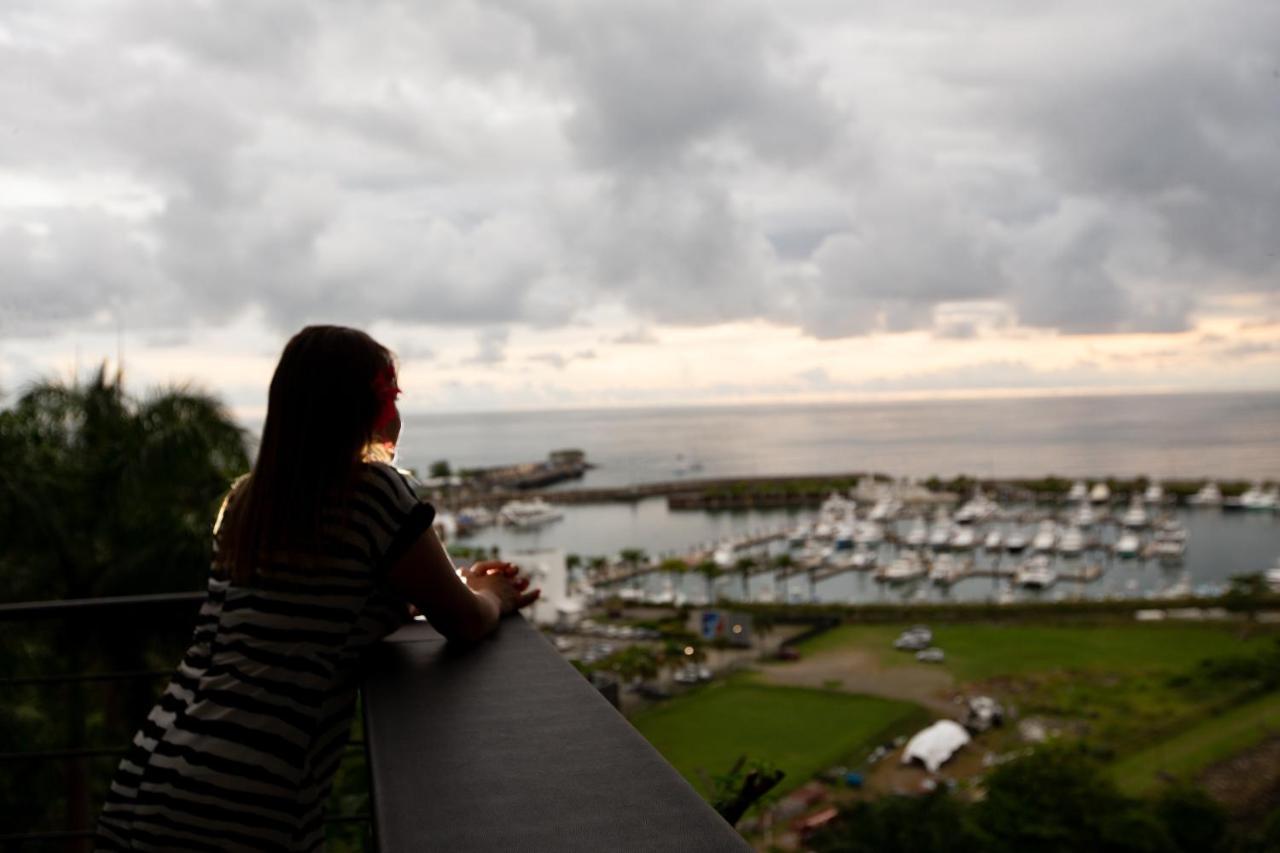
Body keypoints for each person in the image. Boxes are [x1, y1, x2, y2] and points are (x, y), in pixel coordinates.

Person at [96, 325, 538, 851]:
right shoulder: (373, 494)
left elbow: (319, 603)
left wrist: (440, 590)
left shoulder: (247, 502)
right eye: (391, 393)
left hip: (147, 780)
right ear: (372, 404)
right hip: (245, 798)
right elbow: (465, 623)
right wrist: (494, 596)